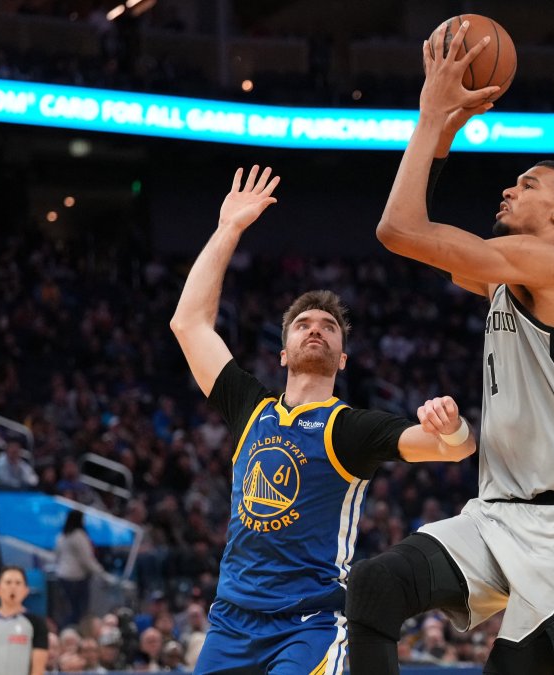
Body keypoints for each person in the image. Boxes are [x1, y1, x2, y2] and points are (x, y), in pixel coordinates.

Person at [348, 20, 554, 675]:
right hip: (493, 515)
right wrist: (441, 132)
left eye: (528, 184)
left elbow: (397, 228)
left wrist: (430, 117)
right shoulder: (503, 277)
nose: (508, 188)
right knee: (375, 586)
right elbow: (416, 233)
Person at [169, 165, 479, 674]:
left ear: (342, 358)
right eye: (303, 324)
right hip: (230, 621)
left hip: (307, 624)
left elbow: (455, 450)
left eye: (329, 327)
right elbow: (189, 323)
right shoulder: (251, 408)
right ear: (284, 352)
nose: (315, 329)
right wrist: (228, 229)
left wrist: (453, 429)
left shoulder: (350, 429)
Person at [53, 509, 106, 627]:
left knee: (68, 610)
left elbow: (56, 556)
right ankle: (76, 632)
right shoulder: (79, 536)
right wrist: (101, 572)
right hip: (76, 579)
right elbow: (87, 560)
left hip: (62, 576)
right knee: (79, 612)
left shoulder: (61, 535)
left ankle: (66, 630)